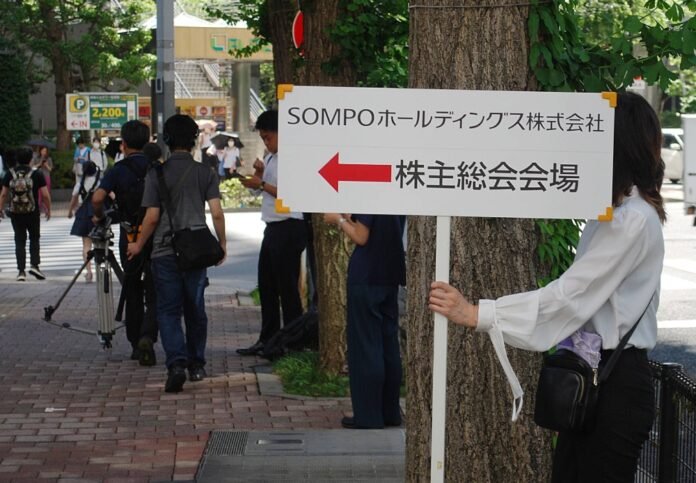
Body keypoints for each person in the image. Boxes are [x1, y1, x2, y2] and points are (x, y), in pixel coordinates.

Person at [428, 92, 665, 482]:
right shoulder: (618, 213)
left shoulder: (631, 220)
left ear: (615, 145)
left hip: (614, 382)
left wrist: (478, 314)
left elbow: (571, 295)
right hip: (599, 376)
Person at [126, 114, 226, 393]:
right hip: (195, 252)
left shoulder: (155, 174)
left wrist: (137, 244)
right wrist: (222, 244)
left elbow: (152, 218)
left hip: (164, 251)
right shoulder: (205, 173)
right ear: (194, 141)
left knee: (168, 310)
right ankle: (197, 365)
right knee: (196, 308)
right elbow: (216, 213)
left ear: (167, 141)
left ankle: (176, 364)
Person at [324, 213, 406, 429]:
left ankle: (368, 415)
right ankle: (390, 412)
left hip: (366, 275)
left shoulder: (371, 191)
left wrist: (339, 220)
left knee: (365, 347)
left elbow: (361, 236)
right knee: (389, 345)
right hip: (390, 274)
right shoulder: (397, 191)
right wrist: (349, 215)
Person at [237, 110, 307, 356]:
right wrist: (257, 177)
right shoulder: (271, 158)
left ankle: (292, 341)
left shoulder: (293, 158)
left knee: (287, 287)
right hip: (272, 226)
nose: (266, 142)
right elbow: (263, 192)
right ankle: (268, 339)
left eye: (268, 137)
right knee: (266, 285)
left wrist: (263, 184)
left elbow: (292, 193)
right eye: (263, 138)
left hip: (289, 226)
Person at [92, 120, 159, 367]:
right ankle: (148, 336)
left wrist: (99, 215)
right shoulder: (156, 167)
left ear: (123, 144)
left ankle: (134, 343)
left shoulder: (118, 170)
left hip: (129, 235)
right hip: (154, 235)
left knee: (132, 287)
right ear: (149, 141)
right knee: (155, 290)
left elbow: (98, 197)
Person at [0, 147, 51, 281]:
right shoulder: (37, 173)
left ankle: (21, 272)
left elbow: (4, 194)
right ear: (30, 159)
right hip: (32, 212)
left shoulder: (10, 174)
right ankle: (34, 265)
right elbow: (45, 195)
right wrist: (48, 209)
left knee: (19, 239)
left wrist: (0, 209)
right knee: (34, 238)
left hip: (15, 212)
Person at [68, 153, 103, 283]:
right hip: (96, 213)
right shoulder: (99, 182)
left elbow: (74, 199)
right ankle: (100, 269)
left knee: (86, 245)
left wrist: (70, 211)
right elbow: (110, 194)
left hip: (83, 214)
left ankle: (89, 272)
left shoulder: (79, 184)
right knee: (99, 243)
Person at [33, 146, 53, 214]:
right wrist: (39, 164)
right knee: (39, 193)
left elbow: (50, 169)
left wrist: (46, 165)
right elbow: (33, 167)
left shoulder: (49, 159)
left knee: (46, 192)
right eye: (43, 151)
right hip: (38, 176)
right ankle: (38, 207)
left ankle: (46, 208)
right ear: (40, 151)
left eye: (45, 151)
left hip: (46, 176)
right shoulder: (36, 158)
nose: (44, 152)